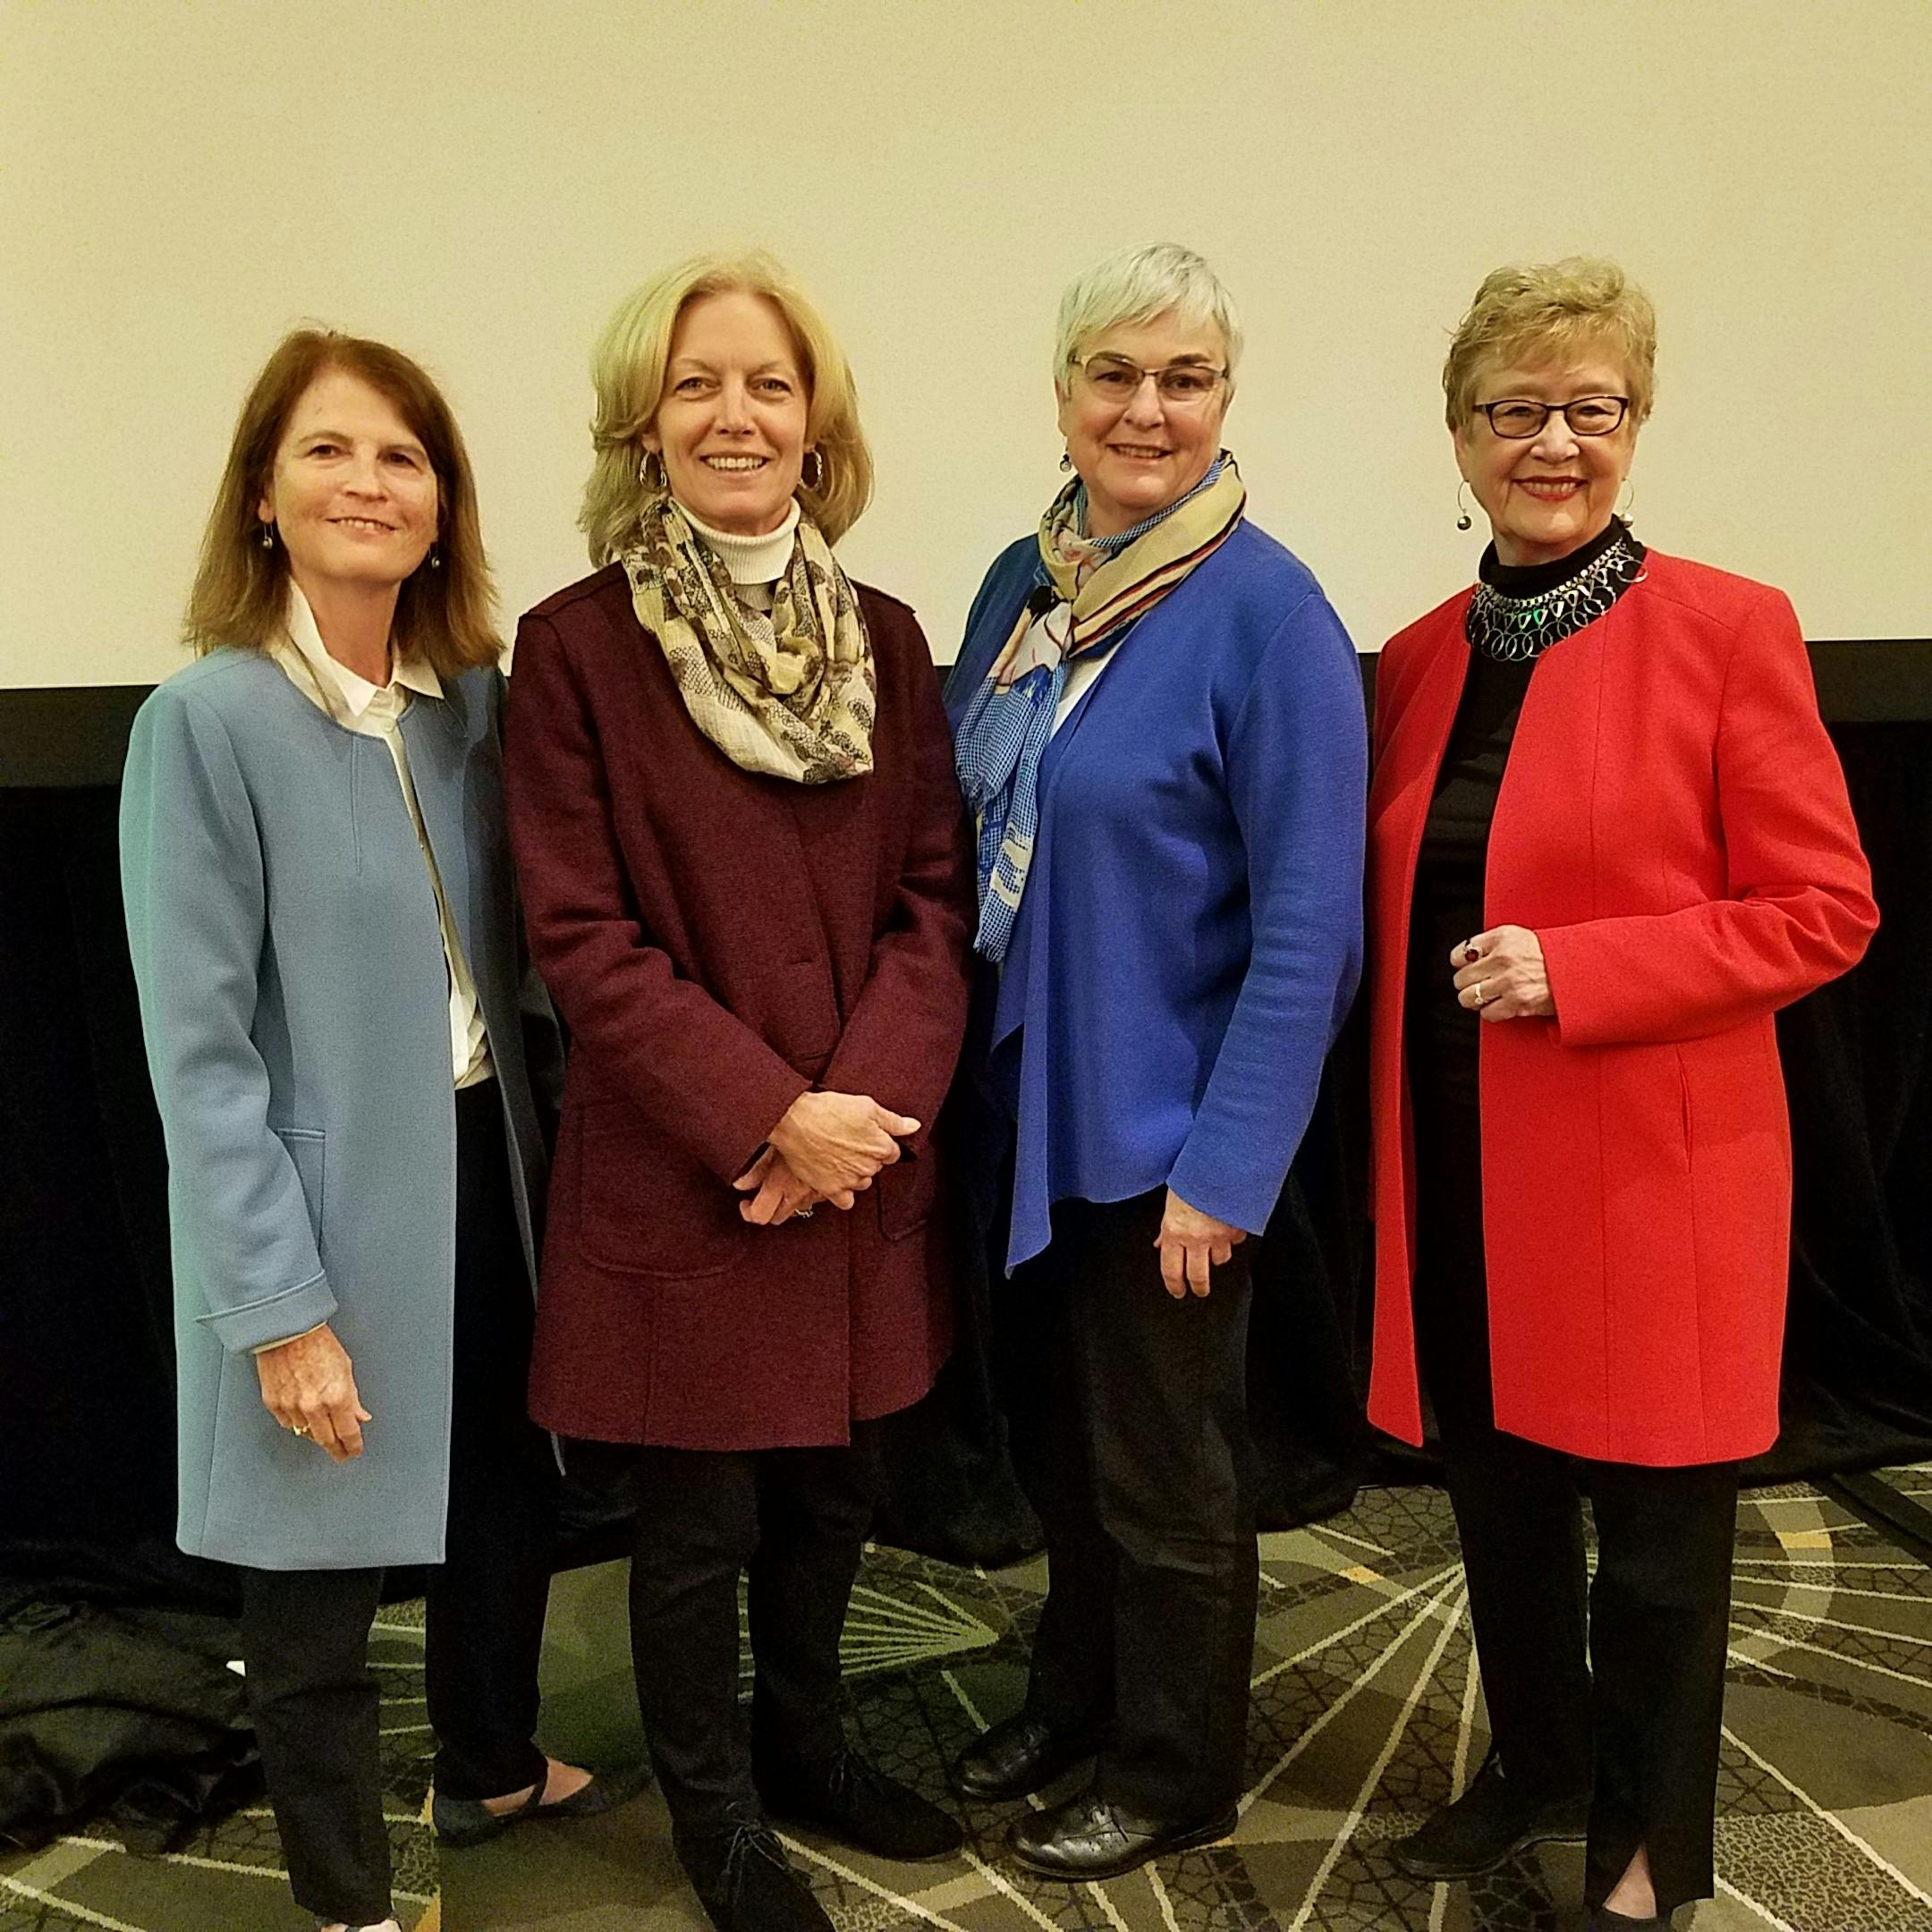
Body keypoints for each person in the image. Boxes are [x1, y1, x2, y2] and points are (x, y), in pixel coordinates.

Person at [1365, 258, 1877, 1929]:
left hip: (1656, 1165)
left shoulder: (1733, 628)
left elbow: (1825, 909)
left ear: (1637, 424)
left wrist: (1585, 971)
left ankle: (1650, 1841)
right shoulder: (1418, 658)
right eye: (1519, 410)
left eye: (1594, 408)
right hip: (1458, 1151)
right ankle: (1536, 1763)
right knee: (1501, 1498)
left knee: (1656, 1542)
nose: (1556, 443)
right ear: (1460, 437)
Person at [503, 251, 975, 1932]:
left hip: (855, 1168)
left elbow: (934, 899)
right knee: (697, 1529)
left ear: (815, 421)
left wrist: (854, 1117)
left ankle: (803, 1750)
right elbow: (579, 935)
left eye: (769, 383)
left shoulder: (892, 643)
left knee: (834, 1495)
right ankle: (716, 1821)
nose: (736, 414)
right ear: (645, 424)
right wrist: (773, 1116)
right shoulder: (570, 651)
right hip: (696, 1171)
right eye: (698, 384)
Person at [120, 331, 607, 1932]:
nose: (369, 484)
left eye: (404, 458)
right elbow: (199, 1061)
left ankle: (494, 1760)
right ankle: (347, 1902)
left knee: (505, 1502)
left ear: (443, 507)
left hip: (487, 1169)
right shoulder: (202, 725)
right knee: (316, 1579)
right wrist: (279, 1311)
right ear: (263, 495)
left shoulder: (471, 702)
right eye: (329, 451)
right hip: (314, 1212)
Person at [943, 243, 1366, 1881]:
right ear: (1061, 396)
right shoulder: (1020, 584)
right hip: (1025, 1115)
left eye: (1183, 379)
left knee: (1170, 1479)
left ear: (1224, 403)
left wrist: (1226, 1170)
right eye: (1114, 374)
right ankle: (1081, 1697)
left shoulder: (1270, 614)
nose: (1147, 408)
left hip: (1166, 1136)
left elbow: (1310, 930)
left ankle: (1178, 1763)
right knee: (1066, 1450)